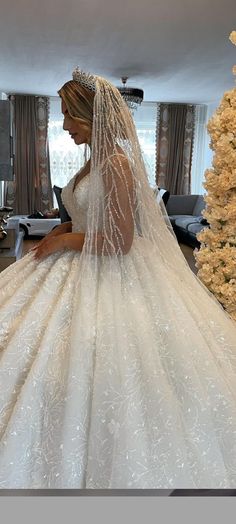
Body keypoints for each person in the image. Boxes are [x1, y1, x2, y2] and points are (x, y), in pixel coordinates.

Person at [1, 68, 236, 490]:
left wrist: (68, 240)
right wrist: (62, 226)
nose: (65, 125)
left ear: (92, 117)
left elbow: (121, 240)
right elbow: (88, 213)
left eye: (70, 116)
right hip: (77, 257)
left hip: (110, 269)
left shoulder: (118, 163)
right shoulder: (94, 160)